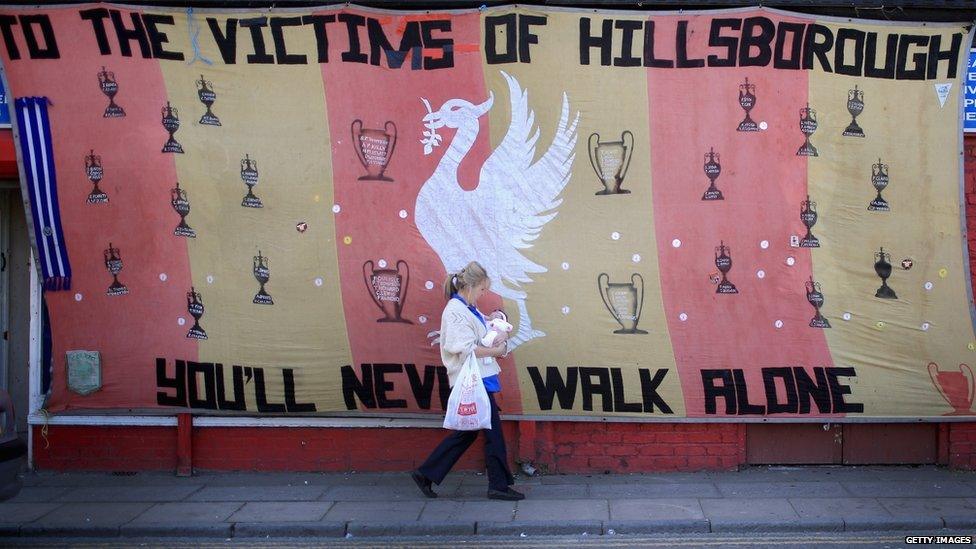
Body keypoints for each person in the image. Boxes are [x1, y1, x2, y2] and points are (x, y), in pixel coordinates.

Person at [411, 261, 525, 501]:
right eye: (482, 289)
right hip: (473, 381)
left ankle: (426, 473)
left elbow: (488, 338)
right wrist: (498, 350)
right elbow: (465, 349)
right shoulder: (456, 311)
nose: (484, 294)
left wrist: (499, 339)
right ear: (471, 286)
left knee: (469, 432)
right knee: (492, 433)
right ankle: (498, 486)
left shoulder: (469, 309)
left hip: (480, 379)